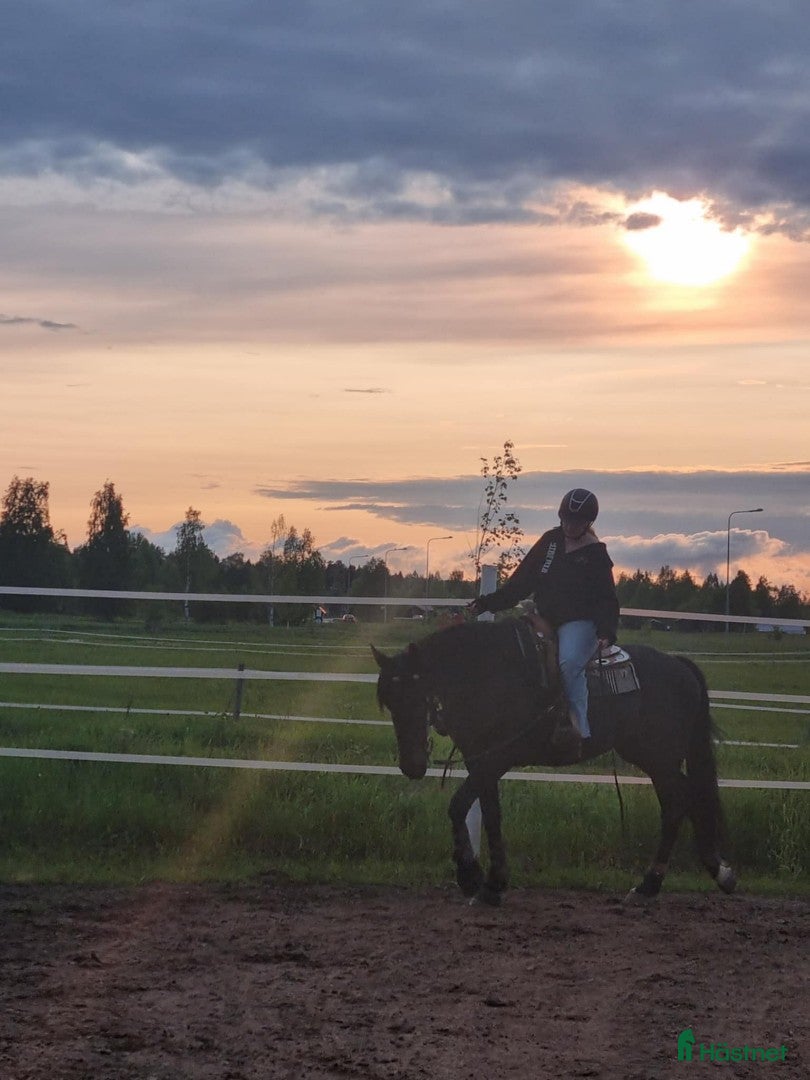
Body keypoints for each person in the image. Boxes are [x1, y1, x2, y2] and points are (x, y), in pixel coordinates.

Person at [468, 488, 619, 744]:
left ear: (588, 523)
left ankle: (579, 729)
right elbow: (522, 581)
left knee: (569, 664)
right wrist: (487, 603)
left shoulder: (596, 554)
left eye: (577, 522)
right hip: (543, 618)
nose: (570, 526)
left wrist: (606, 631)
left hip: (578, 622)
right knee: (512, 651)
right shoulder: (550, 542)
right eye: (566, 520)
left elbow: (606, 597)